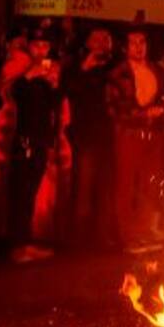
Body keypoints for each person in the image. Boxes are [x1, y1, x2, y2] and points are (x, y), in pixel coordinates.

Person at [107, 27, 164, 252]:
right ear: (126, 47)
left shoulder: (157, 71)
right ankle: (128, 236)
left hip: (153, 136)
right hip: (129, 135)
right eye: (133, 42)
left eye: (142, 42)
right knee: (127, 185)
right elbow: (114, 108)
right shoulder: (119, 74)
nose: (139, 47)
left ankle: (145, 230)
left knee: (149, 184)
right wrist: (143, 115)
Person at [7, 28, 63, 263]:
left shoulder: (48, 74)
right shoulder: (19, 69)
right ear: (29, 47)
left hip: (41, 140)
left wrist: (53, 85)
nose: (41, 50)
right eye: (36, 46)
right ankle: (18, 246)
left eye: (45, 46)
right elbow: (12, 94)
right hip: (23, 139)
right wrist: (29, 74)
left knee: (30, 193)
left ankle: (26, 242)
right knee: (21, 192)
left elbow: (53, 106)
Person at [63, 28, 116, 250]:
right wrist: (85, 69)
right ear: (87, 41)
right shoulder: (76, 65)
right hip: (85, 134)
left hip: (108, 135)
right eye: (96, 38)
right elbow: (69, 90)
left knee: (105, 189)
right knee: (83, 187)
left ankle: (101, 237)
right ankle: (78, 239)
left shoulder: (114, 67)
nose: (101, 43)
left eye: (106, 38)